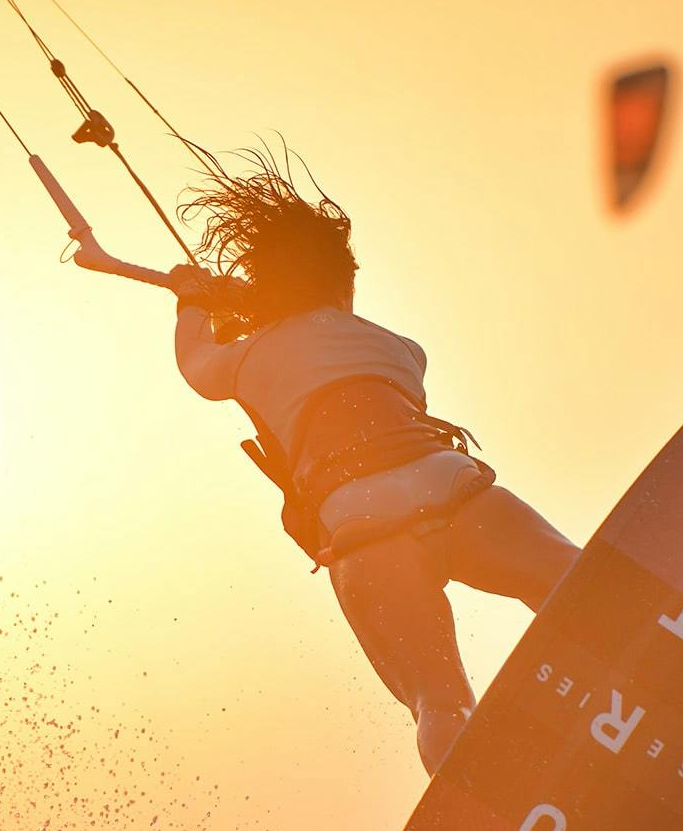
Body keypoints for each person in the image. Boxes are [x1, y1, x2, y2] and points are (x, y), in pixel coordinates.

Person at [164, 154, 580, 774]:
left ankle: (476, 807)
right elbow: (321, 336)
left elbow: (198, 364)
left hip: (361, 522)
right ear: (342, 284)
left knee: (440, 703)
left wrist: (191, 301)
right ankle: (644, 661)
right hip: (453, 490)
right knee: (575, 587)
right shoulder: (400, 347)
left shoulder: (247, 358)